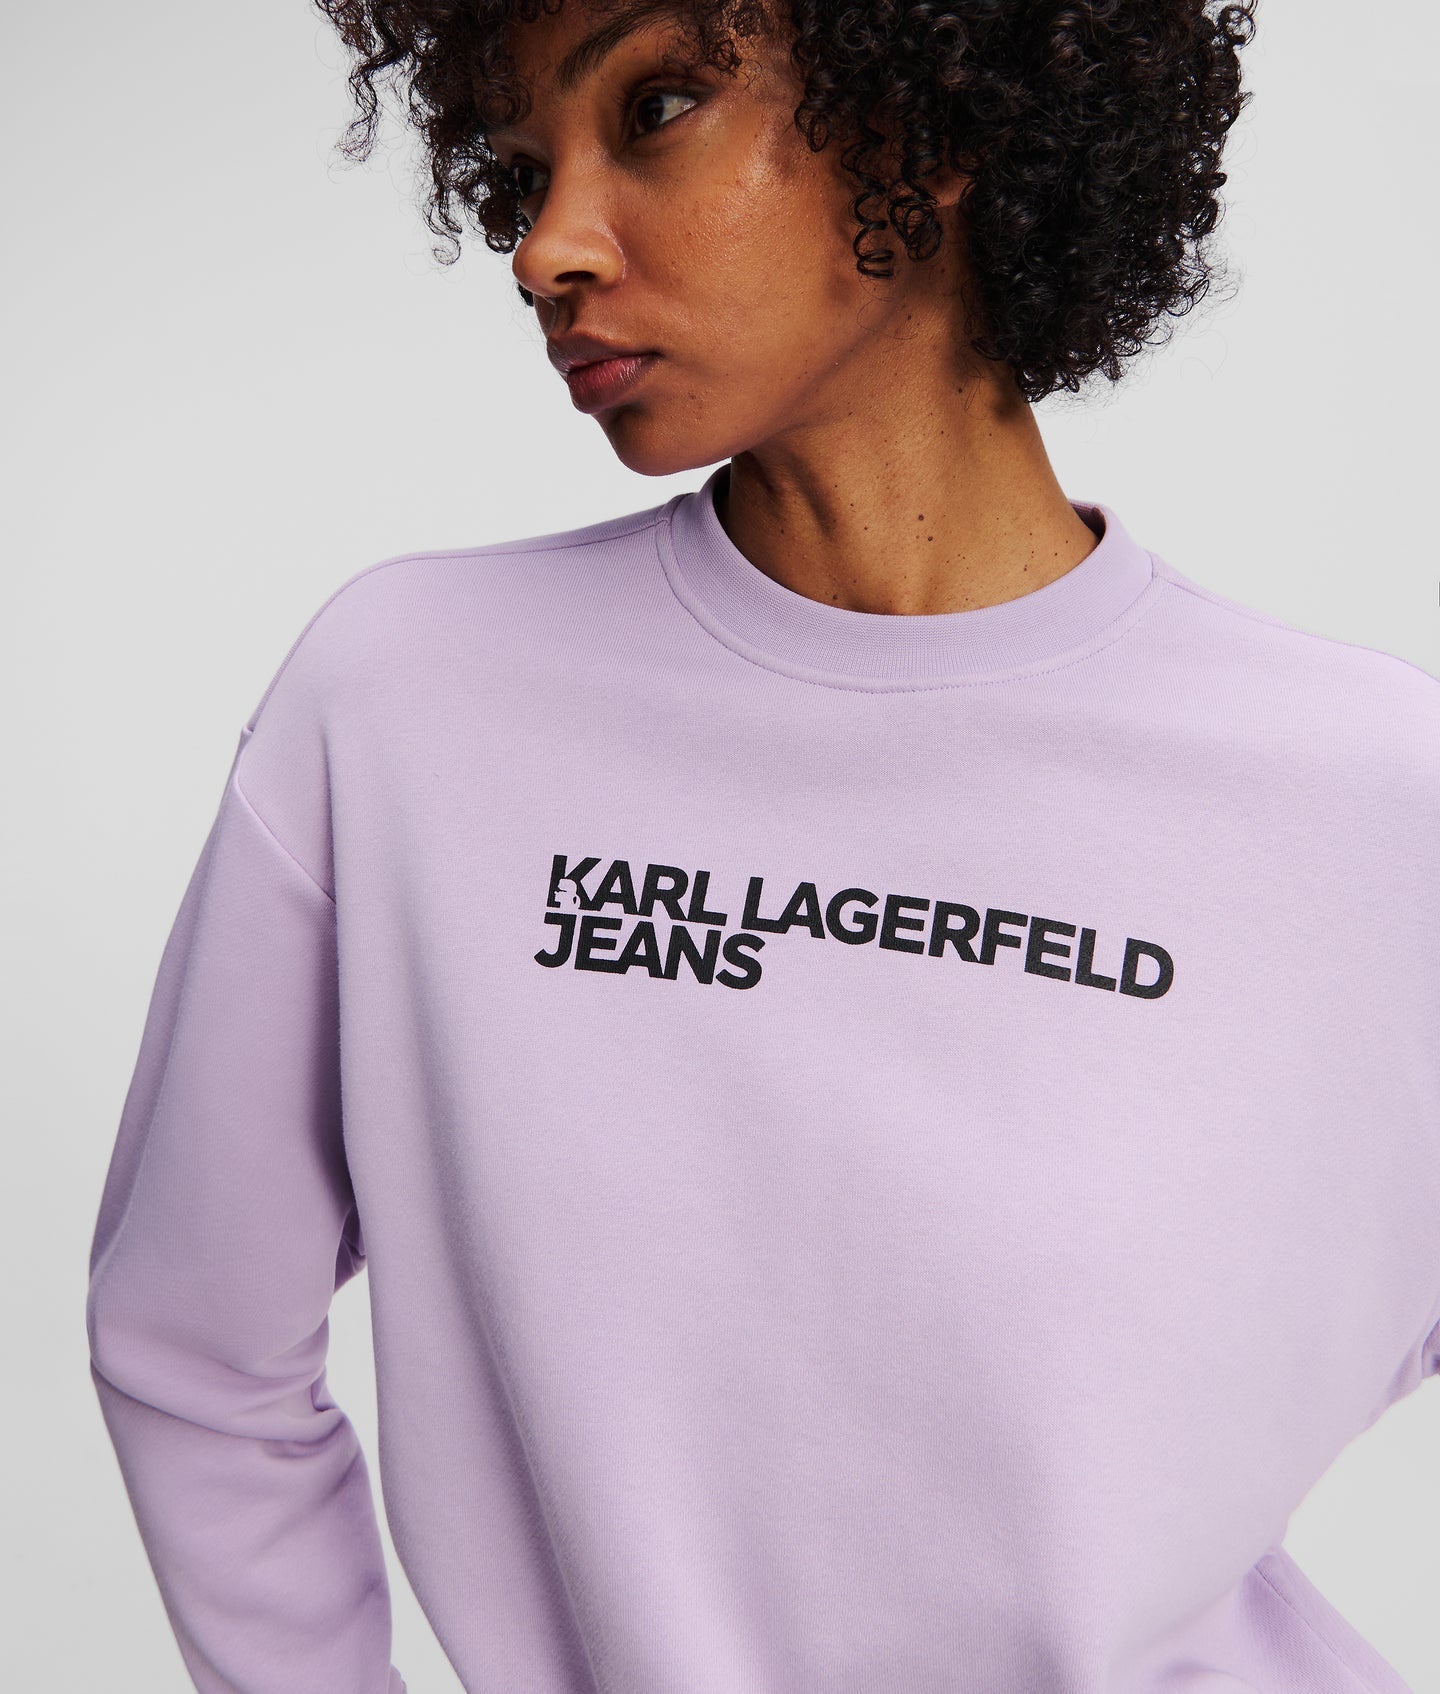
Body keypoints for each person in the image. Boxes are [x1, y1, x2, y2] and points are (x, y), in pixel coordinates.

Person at [84, 1, 1440, 1690]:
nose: (547, 250)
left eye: (656, 108)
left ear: (935, 117)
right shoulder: (405, 706)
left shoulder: (1374, 796)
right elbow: (189, 1342)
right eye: (520, 174)